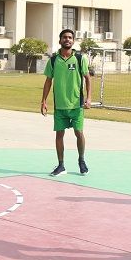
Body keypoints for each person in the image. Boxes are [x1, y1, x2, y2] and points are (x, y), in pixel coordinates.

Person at [41, 29, 91, 176]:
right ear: (60, 40)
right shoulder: (54, 60)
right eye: (64, 37)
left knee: (79, 132)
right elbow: (48, 81)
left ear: (73, 41)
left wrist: (88, 98)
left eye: (70, 37)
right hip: (59, 106)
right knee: (59, 135)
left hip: (77, 105)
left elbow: (88, 78)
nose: (67, 39)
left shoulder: (80, 58)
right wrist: (43, 101)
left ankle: (81, 160)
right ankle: (61, 165)